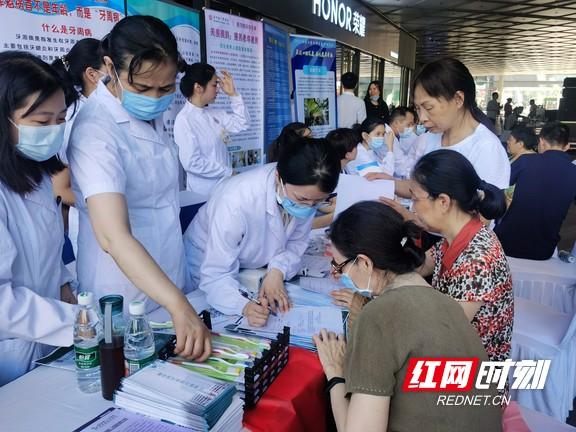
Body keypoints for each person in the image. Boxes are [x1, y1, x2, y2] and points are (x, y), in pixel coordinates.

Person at [67, 16, 211, 360]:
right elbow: (113, 236)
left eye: (165, 89)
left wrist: (177, 298)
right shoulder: (95, 129)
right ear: (108, 67)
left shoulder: (150, 116)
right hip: (122, 284)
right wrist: (177, 303)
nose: (155, 98)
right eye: (143, 89)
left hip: (167, 270)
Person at [313, 202, 502, 432]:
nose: (336, 274)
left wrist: (335, 373)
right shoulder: (448, 303)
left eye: (338, 266)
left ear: (365, 262)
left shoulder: (378, 315)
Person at [183, 137, 341, 325]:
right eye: (302, 200)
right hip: (207, 263)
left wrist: (277, 272)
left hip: (251, 268)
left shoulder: (302, 189)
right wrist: (243, 305)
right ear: (278, 177)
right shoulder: (236, 202)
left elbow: (296, 242)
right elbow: (216, 275)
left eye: (317, 202)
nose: (309, 208)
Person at [0, 51, 78, 385]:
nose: (54, 130)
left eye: (60, 119)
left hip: (48, 340)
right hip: (10, 352)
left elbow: (47, 254)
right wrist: (78, 322)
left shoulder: (37, 173)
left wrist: (66, 290)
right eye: (42, 122)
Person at [411, 150, 513, 363]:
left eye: (415, 199)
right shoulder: (458, 235)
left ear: (443, 202)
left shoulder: (477, 260)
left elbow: (444, 331)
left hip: (473, 372)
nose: (413, 208)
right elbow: (423, 265)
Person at [379, 58, 510, 198]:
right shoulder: (428, 139)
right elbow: (420, 189)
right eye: (418, 108)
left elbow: (487, 209)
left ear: (458, 99)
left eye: (429, 107)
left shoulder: (486, 148)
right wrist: (390, 183)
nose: (422, 118)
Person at [51, 38, 106, 257]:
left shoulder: (101, 110)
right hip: (93, 222)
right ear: (92, 74)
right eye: (111, 68)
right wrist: (110, 203)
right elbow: (61, 188)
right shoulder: (74, 117)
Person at [495, 122, 576, 260]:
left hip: (507, 243)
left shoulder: (526, 161)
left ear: (541, 142)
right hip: (543, 250)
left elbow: (499, 185)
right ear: (567, 146)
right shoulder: (573, 171)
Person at [175, 62, 249, 196]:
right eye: (215, 85)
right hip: (204, 194)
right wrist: (228, 172)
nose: (218, 89)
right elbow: (192, 163)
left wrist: (233, 95)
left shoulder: (215, 113)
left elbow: (242, 123)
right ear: (198, 88)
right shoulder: (184, 120)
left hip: (226, 188)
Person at [388, 106, 416, 178]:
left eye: (412, 125)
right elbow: (401, 165)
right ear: (396, 123)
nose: (411, 128)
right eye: (409, 124)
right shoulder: (387, 135)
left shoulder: (395, 136)